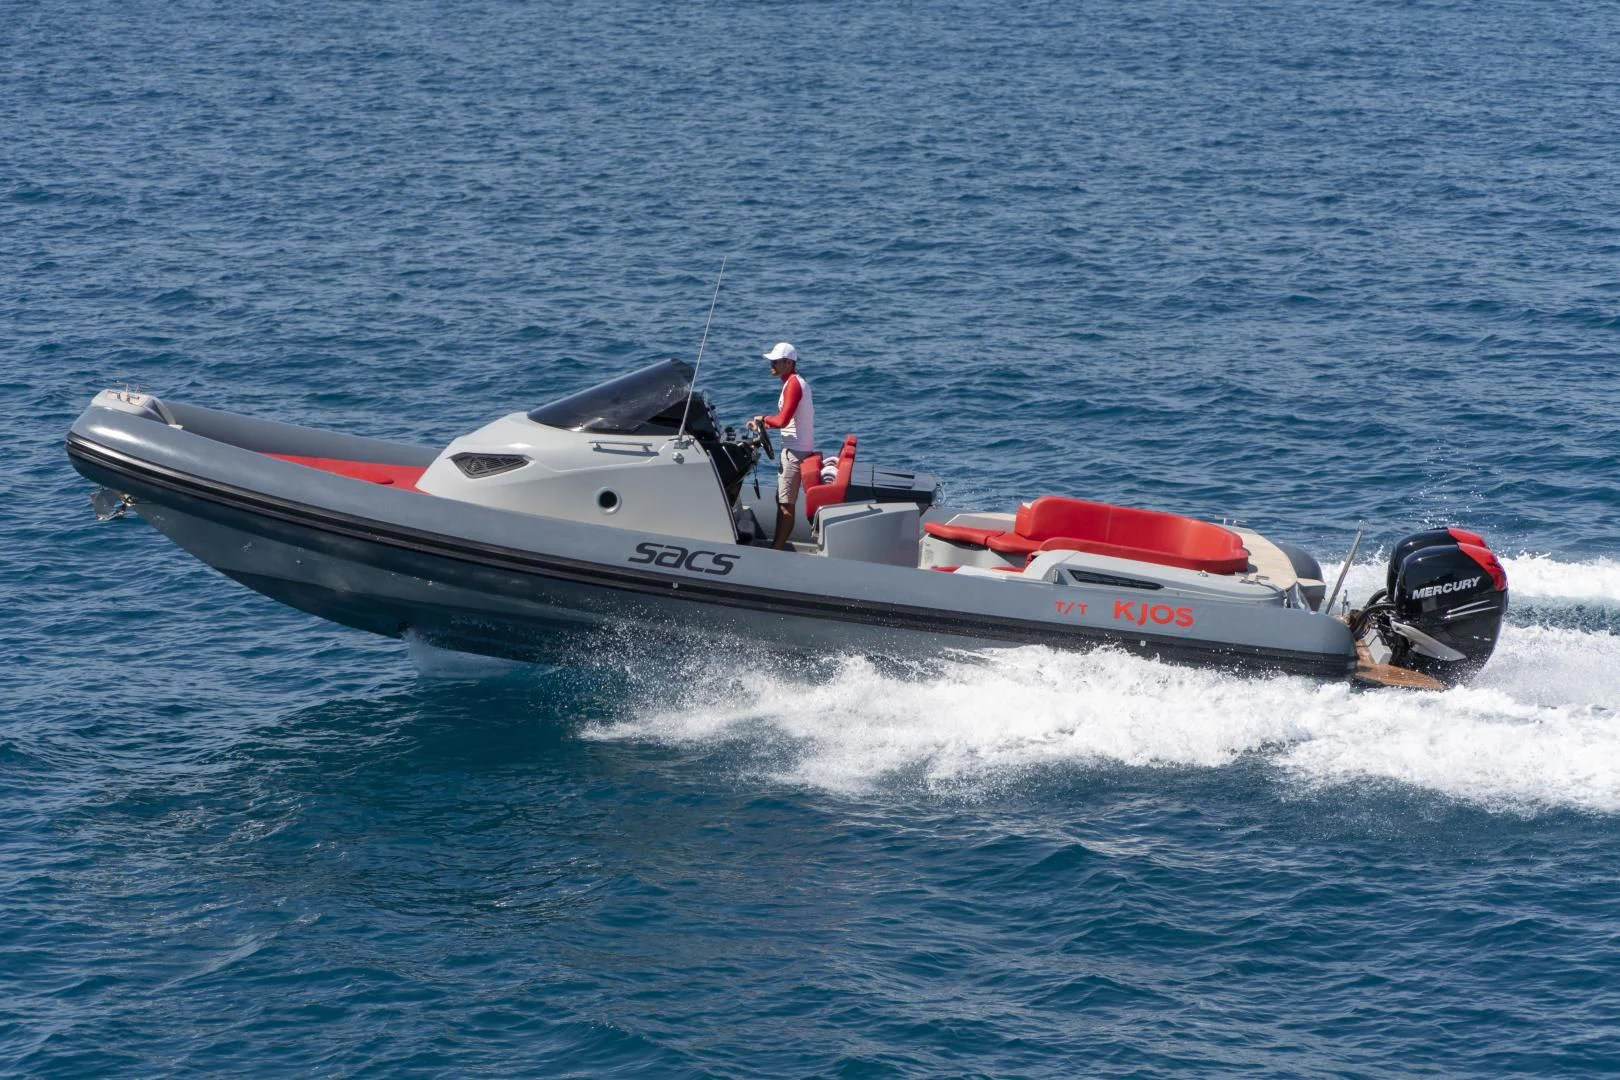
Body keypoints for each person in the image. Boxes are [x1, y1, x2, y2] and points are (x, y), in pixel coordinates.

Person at [750, 341, 815, 549]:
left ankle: (776, 550)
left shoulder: (794, 384)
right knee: (783, 500)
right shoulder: (792, 382)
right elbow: (786, 420)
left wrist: (763, 419)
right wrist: (764, 424)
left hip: (795, 452)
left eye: (775, 361)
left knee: (786, 505)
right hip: (796, 449)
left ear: (788, 363)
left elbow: (783, 421)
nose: (772, 365)